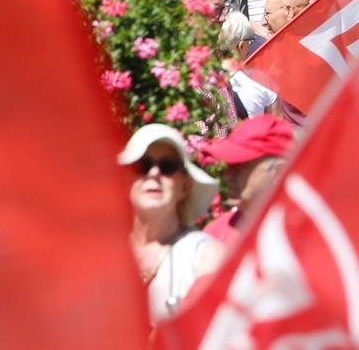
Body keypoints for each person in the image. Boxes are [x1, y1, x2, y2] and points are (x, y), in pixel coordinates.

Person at [120, 124, 224, 321]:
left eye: (167, 167)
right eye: (143, 165)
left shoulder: (206, 256)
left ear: (185, 186)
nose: (154, 174)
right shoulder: (100, 253)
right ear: (126, 181)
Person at [202, 115, 294, 244]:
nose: (228, 174)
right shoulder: (214, 236)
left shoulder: (305, 235)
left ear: (279, 171)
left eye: (241, 165)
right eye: (229, 165)